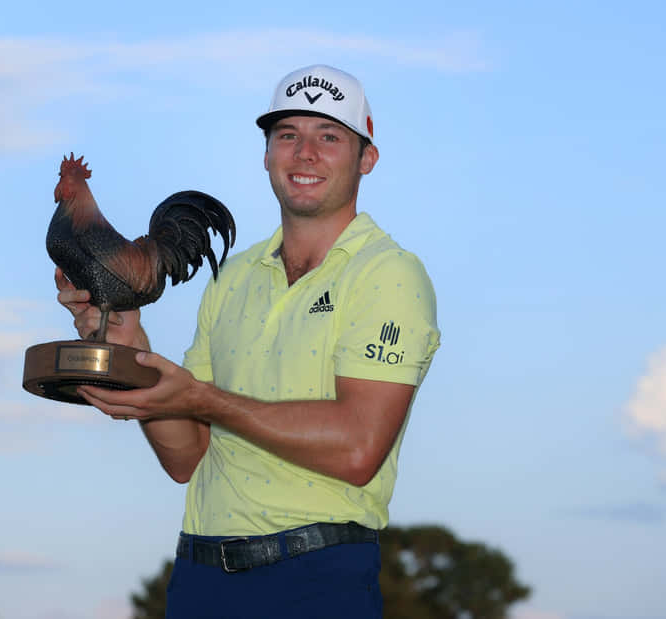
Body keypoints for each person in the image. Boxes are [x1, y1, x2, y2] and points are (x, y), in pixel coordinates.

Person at [56, 64, 440, 618]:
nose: (305, 153)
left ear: (367, 158)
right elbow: (187, 457)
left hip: (317, 578)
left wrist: (202, 399)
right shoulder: (232, 277)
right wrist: (127, 339)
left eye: (329, 137)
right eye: (287, 135)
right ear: (266, 155)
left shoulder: (389, 274)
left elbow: (358, 448)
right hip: (199, 578)